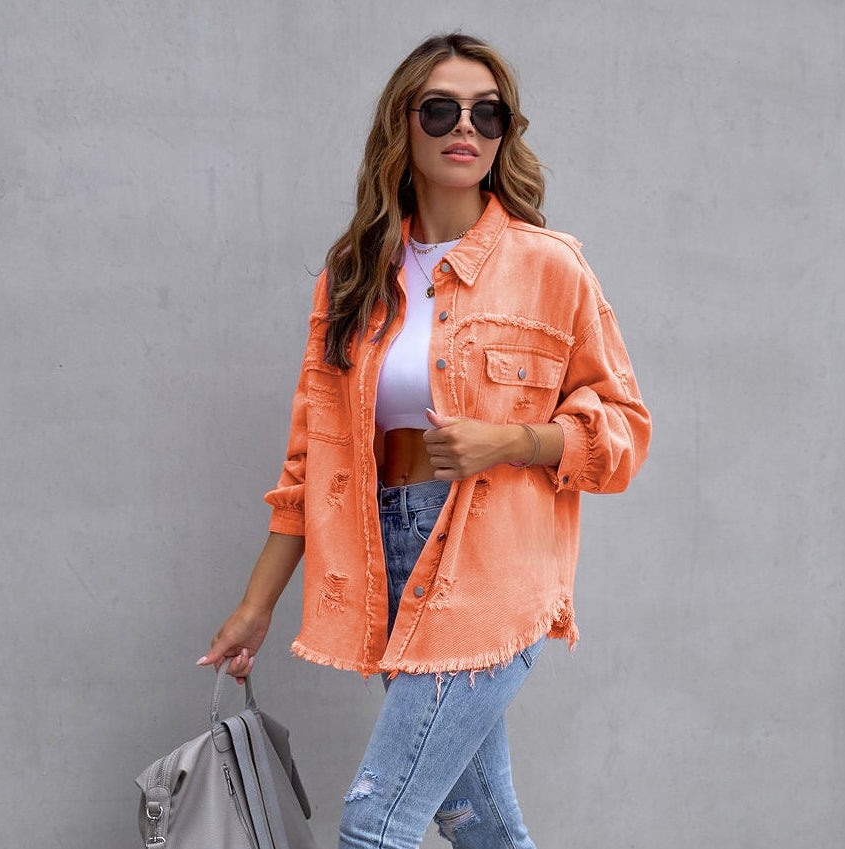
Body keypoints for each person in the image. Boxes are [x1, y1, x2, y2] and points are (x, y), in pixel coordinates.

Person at [198, 32, 651, 849]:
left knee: (376, 823)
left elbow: (623, 432)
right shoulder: (354, 272)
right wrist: (255, 606)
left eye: (487, 113)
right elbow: (310, 461)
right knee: (484, 830)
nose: (464, 126)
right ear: (401, 125)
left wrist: (511, 440)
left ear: (505, 132)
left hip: (492, 566)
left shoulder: (551, 267)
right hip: (388, 558)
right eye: (440, 109)